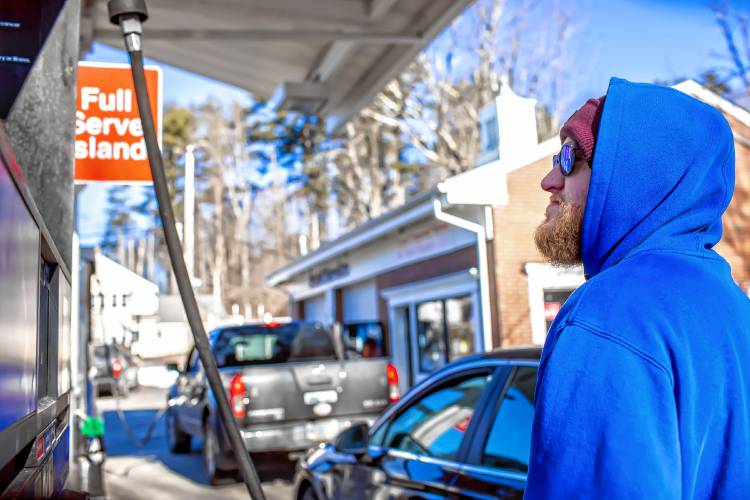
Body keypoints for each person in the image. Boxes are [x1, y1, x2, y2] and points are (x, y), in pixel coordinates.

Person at [525, 77, 750, 498]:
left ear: (631, 174)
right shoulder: (735, 308)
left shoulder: (607, 318)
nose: (549, 180)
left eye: (571, 157)